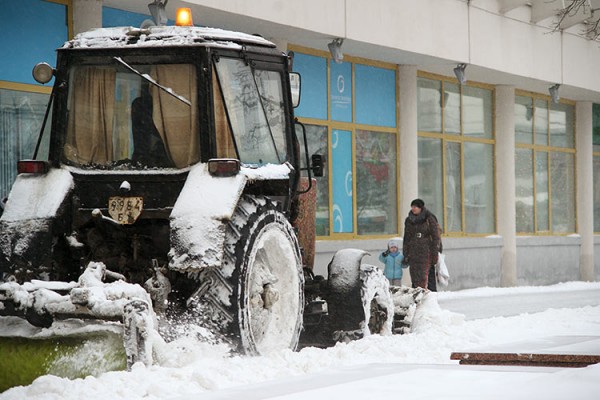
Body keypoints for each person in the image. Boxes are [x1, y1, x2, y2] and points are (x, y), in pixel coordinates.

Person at [402, 199, 441, 290]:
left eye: (416, 206)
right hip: (413, 251)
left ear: (421, 207)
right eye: (412, 206)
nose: (413, 208)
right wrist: (406, 253)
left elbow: (435, 236)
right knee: (415, 275)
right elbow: (406, 237)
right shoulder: (409, 220)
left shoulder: (429, 218)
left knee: (426, 275)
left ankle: (430, 297)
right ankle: (416, 295)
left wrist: (435, 253)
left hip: (426, 251)